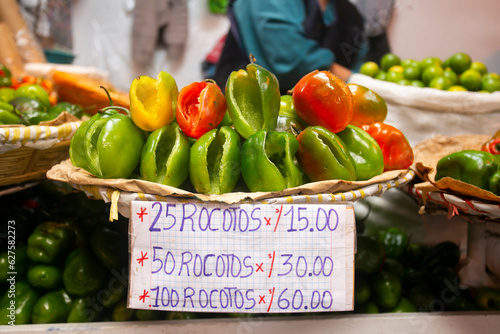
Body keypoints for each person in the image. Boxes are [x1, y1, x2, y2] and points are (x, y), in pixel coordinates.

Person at [210, 0, 373, 94]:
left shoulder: (349, 14)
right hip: (247, 117)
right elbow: (290, 61)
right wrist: (361, 83)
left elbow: (360, 63)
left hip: (320, 128)